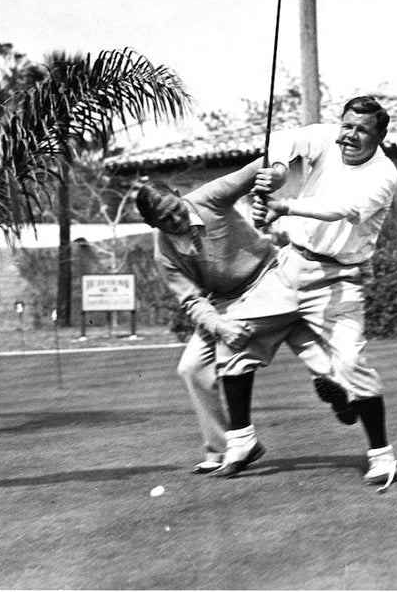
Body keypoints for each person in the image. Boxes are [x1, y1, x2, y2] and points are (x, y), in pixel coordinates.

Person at [216, 95, 397, 483]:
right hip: (288, 266)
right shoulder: (326, 137)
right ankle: (242, 441)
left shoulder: (384, 175)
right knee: (233, 335)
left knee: (351, 364)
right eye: (347, 125)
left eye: (362, 130)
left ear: (379, 136)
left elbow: (343, 208)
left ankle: (381, 455)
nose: (350, 136)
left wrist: (284, 207)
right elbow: (284, 137)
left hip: (339, 279)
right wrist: (280, 170)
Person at [136, 162, 331, 474]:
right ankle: (223, 448)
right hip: (226, 301)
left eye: (175, 208)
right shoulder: (164, 253)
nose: (176, 219)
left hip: (268, 275)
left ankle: (330, 382)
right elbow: (191, 300)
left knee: (280, 339)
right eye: (165, 219)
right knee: (192, 367)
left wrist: (276, 175)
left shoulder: (208, 197)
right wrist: (219, 325)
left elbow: (263, 167)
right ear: (151, 224)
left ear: (177, 194)